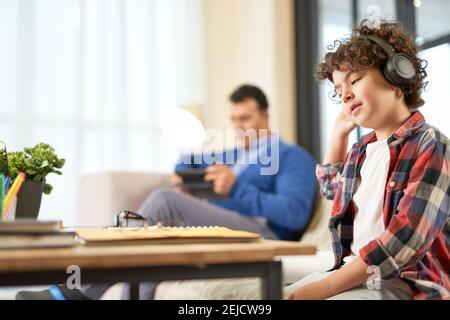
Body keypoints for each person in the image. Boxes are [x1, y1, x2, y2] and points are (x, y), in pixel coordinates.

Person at [17, 84, 318, 300]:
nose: (239, 127)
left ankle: (76, 292)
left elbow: (293, 215)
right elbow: (187, 159)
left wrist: (236, 187)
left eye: (246, 119)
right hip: (218, 225)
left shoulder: (291, 156)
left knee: (164, 201)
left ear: (265, 117)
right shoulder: (230, 154)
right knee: (160, 236)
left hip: (263, 233)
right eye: (234, 120)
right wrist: (185, 171)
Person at [284, 19, 449, 300]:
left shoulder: (431, 144)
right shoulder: (361, 149)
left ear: (396, 79)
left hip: (403, 284)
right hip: (354, 276)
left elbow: (405, 239)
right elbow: (331, 190)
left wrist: (323, 288)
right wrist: (338, 135)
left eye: (355, 80)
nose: (345, 94)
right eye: (338, 91)